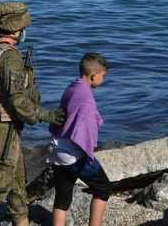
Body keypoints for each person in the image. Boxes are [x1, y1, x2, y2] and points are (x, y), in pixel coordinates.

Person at [0, 2, 65, 226]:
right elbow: (16, 100)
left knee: (17, 183)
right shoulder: (9, 58)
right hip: (2, 128)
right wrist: (47, 116)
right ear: (18, 29)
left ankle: (21, 222)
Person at [47, 53, 112, 226]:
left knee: (62, 198)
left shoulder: (72, 87)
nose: (103, 79)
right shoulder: (86, 100)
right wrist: (89, 152)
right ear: (94, 75)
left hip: (57, 149)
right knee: (104, 188)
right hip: (73, 154)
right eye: (103, 76)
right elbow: (84, 131)